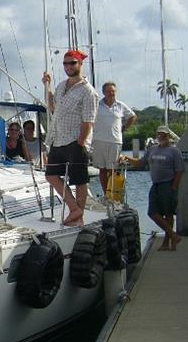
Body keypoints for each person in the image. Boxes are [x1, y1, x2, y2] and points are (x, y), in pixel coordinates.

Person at [42, 49, 99, 227]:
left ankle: (78, 218)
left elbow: (89, 120)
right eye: (66, 63)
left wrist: (81, 142)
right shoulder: (61, 86)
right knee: (51, 175)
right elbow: (53, 108)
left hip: (75, 140)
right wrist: (47, 86)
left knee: (79, 181)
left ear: (80, 64)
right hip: (57, 139)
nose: (68, 67)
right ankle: (74, 208)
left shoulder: (88, 91)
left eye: (72, 63)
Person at [121, 125, 184, 251]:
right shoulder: (152, 149)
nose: (161, 136)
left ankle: (167, 243)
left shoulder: (174, 151)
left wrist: (174, 187)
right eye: (159, 134)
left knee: (168, 214)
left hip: (168, 184)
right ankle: (173, 235)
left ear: (168, 136)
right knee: (152, 213)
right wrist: (127, 157)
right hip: (155, 185)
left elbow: (180, 170)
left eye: (164, 134)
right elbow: (140, 163)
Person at [92, 81, 136, 195]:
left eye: (113, 91)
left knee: (113, 169)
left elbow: (132, 116)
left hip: (115, 141)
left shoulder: (120, 105)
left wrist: (125, 127)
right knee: (102, 169)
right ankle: (106, 194)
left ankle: (113, 194)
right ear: (103, 92)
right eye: (108, 91)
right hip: (99, 140)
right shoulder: (97, 105)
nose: (111, 93)